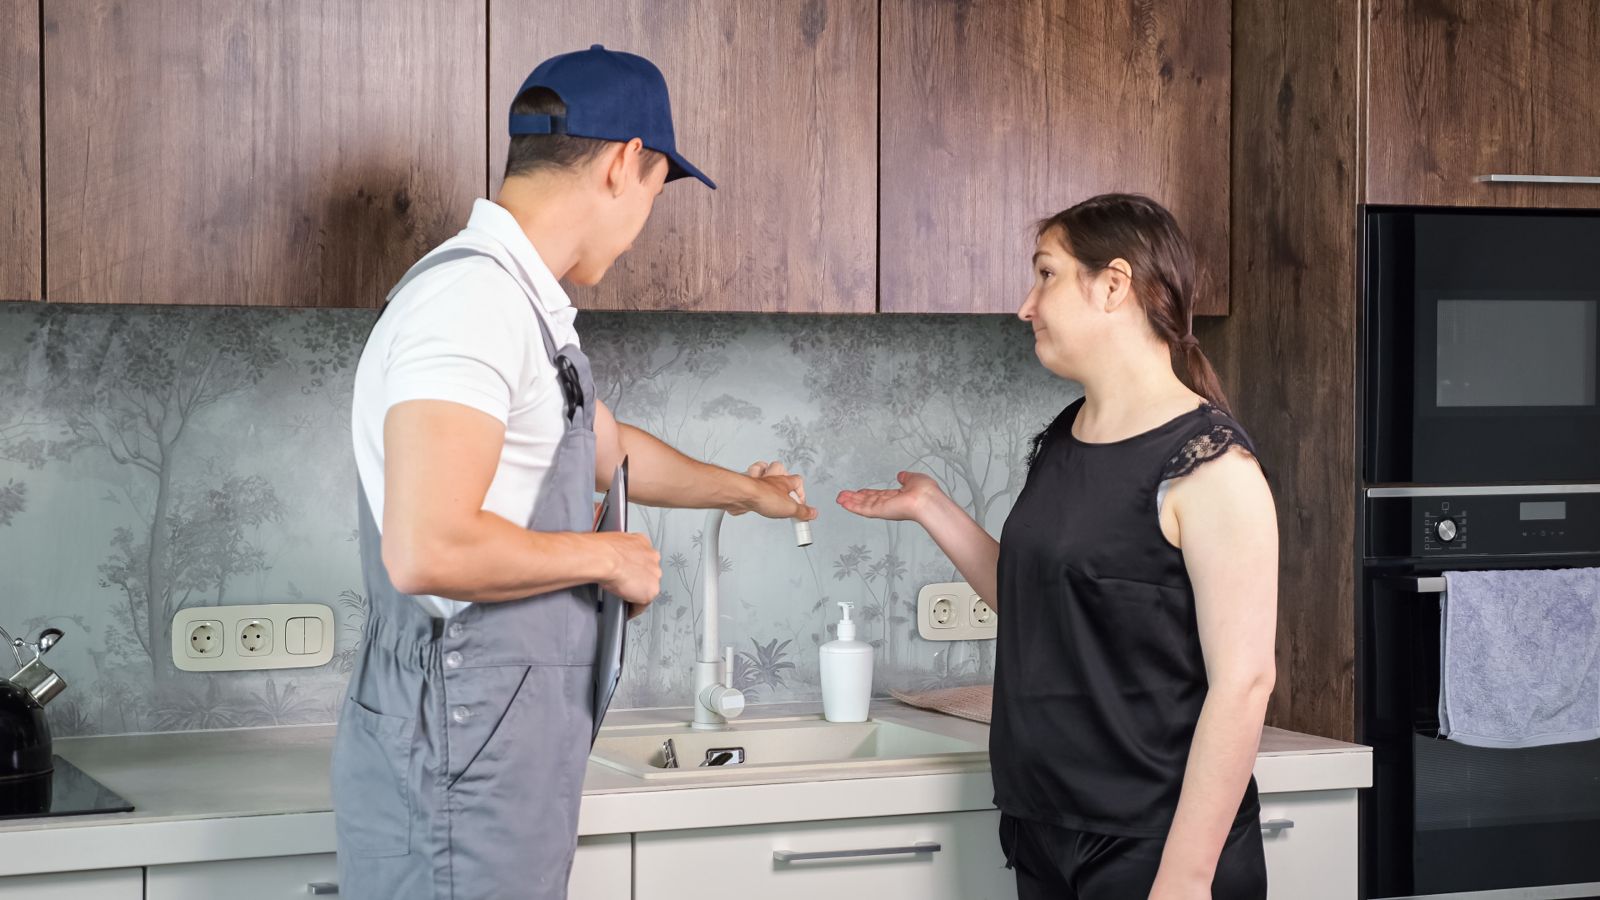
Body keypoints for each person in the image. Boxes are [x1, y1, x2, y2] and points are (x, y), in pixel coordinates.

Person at [332, 45, 816, 900]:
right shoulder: (471, 307)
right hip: (462, 737)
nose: (644, 224)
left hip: (496, 741)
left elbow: (605, 448)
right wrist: (607, 557)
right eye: (659, 190)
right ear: (628, 162)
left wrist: (749, 494)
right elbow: (427, 549)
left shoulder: (520, 306)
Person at [839, 194, 1277, 899]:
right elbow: (1038, 599)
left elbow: (1246, 681)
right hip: (1045, 830)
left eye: (1045, 274)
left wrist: (1187, 879)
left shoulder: (1210, 464)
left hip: (1153, 849)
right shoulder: (1066, 437)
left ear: (1113, 285)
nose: (1026, 304)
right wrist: (932, 508)